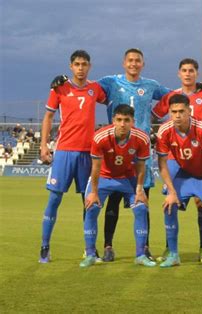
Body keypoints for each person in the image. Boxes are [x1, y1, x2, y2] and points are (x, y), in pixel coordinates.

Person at [51, 48, 172, 261]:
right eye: (130, 61)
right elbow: (85, 84)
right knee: (112, 202)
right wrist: (63, 81)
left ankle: (144, 248)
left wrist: (156, 114)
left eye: (138, 61)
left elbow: (172, 96)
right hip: (115, 148)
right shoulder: (110, 82)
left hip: (140, 146)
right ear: (124, 63)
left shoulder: (151, 85)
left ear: (143, 64)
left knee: (142, 199)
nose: (134, 64)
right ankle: (108, 246)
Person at [39, 50, 106, 263]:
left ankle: (90, 249)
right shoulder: (59, 88)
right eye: (77, 64)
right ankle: (45, 247)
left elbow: (112, 98)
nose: (80, 68)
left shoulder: (95, 89)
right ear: (70, 66)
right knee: (54, 198)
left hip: (88, 153)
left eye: (84, 64)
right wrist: (43, 145)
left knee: (88, 201)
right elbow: (48, 116)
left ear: (90, 67)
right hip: (64, 152)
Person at [152, 58, 202, 263]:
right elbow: (155, 115)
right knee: (170, 202)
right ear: (179, 73)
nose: (188, 74)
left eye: (191, 70)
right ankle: (171, 251)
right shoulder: (171, 99)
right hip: (178, 160)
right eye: (184, 70)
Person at [80, 104, 155, 268]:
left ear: (132, 122)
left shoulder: (142, 138)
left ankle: (141, 254)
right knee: (91, 208)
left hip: (127, 178)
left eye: (126, 120)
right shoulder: (100, 137)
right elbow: (95, 167)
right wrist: (93, 192)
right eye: (119, 120)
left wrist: (140, 189)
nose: (122, 124)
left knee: (141, 208)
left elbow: (141, 166)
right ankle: (90, 253)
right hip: (103, 178)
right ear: (113, 120)